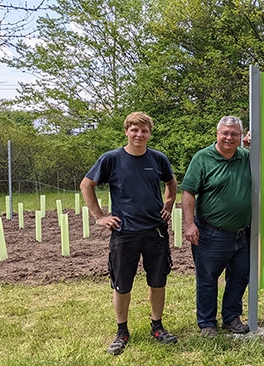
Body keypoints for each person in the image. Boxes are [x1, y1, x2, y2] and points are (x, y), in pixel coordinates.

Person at [79, 112, 178, 355]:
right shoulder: (111, 159)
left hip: (155, 232)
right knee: (122, 284)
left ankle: (157, 326)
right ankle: (122, 331)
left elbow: (171, 183)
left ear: (149, 134)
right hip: (124, 234)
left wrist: (168, 204)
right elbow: (86, 185)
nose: (139, 135)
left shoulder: (158, 159)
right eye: (134, 130)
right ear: (126, 131)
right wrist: (100, 216)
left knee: (158, 281)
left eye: (144, 131)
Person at [181, 116, 252, 337]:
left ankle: (231, 318)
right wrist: (190, 224)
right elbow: (188, 192)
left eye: (234, 134)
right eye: (225, 133)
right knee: (207, 279)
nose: (229, 137)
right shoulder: (203, 158)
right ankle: (207, 323)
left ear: (241, 137)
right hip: (211, 233)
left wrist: (252, 147)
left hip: (242, 234)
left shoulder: (247, 157)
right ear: (217, 134)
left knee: (240, 277)